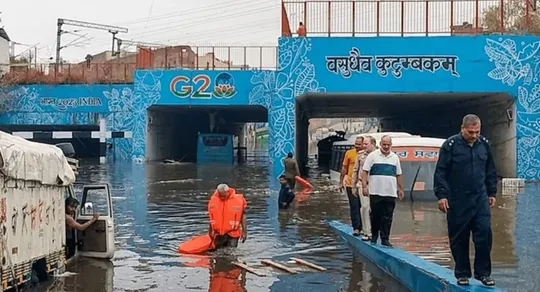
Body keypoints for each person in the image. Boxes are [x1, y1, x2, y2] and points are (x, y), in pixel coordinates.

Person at [433, 114, 497, 287]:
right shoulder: (450, 146)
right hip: (458, 199)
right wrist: (442, 195)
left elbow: (490, 169)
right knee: (459, 237)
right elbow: (441, 172)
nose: (474, 135)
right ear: (462, 129)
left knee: (484, 234)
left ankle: (483, 274)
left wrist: (492, 192)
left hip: (480, 197)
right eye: (471, 132)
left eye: (477, 132)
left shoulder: (484, 144)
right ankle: (462, 273)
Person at [361, 135, 404, 247]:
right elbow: (364, 172)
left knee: (388, 216)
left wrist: (400, 189)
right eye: (384, 144)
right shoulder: (372, 156)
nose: (386, 147)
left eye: (388, 145)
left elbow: (398, 174)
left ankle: (385, 239)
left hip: (390, 192)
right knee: (375, 215)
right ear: (380, 144)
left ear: (391, 145)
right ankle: (374, 236)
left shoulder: (395, 158)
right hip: (375, 192)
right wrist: (364, 186)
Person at [351, 135, 377, 241]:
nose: (364, 146)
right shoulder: (360, 155)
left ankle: (376, 232)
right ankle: (367, 232)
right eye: (363, 144)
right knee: (365, 207)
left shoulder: (379, 155)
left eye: (366, 144)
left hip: (376, 185)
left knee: (375, 209)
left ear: (373, 144)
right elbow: (355, 170)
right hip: (362, 184)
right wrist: (353, 186)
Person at [208, 184, 248, 249]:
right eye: (220, 195)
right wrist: (210, 231)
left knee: (230, 254)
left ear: (228, 191)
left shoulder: (239, 200)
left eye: (223, 195)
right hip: (218, 234)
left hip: (233, 233)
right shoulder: (213, 200)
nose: (222, 197)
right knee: (218, 254)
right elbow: (212, 217)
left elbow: (243, 217)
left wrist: (244, 232)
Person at [340, 136, 364, 236]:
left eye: (359, 144)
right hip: (350, 184)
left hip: (363, 184)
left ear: (364, 144)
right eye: (356, 144)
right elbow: (344, 168)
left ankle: (365, 228)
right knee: (354, 206)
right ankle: (356, 228)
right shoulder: (349, 153)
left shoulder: (367, 155)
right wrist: (341, 182)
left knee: (364, 206)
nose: (357, 146)